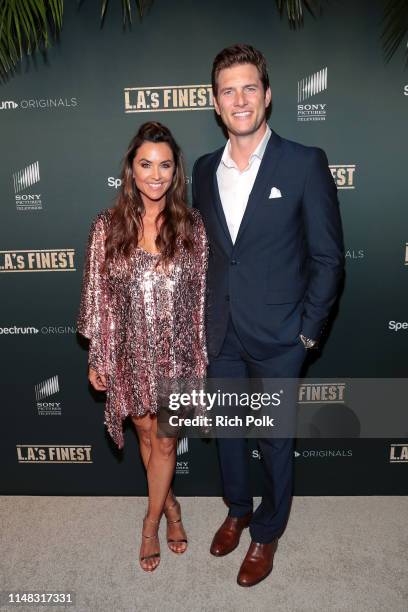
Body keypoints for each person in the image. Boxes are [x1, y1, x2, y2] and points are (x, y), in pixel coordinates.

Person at [192, 44, 344, 587]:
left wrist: (307, 334)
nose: (240, 99)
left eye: (249, 87)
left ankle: (267, 531)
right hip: (221, 331)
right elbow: (212, 254)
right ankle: (238, 509)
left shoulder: (304, 162)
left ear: (268, 96)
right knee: (230, 432)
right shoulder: (204, 169)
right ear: (215, 103)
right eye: (228, 90)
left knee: (275, 439)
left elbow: (328, 257)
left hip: (281, 335)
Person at [77, 121, 208, 573]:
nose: (156, 174)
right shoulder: (105, 226)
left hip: (178, 357)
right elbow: (96, 295)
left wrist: (201, 363)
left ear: (176, 172)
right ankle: (171, 505)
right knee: (147, 438)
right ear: (130, 170)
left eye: (165, 165)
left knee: (166, 445)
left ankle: (152, 522)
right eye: (146, 164)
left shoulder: (192, 227)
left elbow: (202, 302)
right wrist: (98, 356)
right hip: (129, 353)